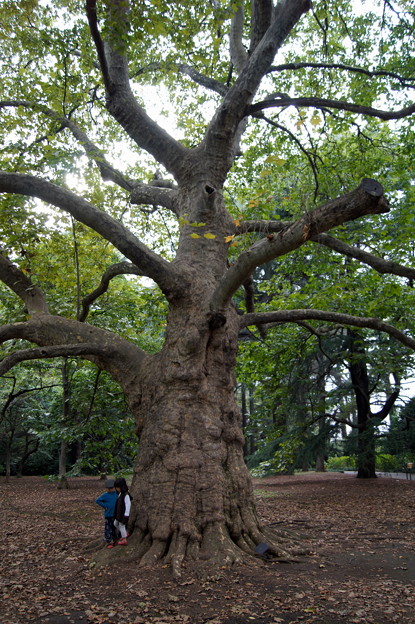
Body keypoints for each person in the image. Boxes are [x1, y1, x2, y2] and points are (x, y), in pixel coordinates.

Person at [95, 478, 118, 549]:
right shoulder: (105, 495)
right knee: (108, 528)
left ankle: (115, 540)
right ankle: (109, 541)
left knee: (115, 528)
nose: (110, 490)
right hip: (108, 515)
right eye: (109, 488)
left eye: (112, 488)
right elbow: (97, 500)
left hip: (116, 514)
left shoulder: (117, 494)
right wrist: (105, 506)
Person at [114, 477, 131, 546]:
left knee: (121, 525)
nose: (116, 489)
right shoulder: (120, 494)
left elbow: (128, 504)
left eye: (117, 487)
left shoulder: (126, 495)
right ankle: (124, 533)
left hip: (123, 514)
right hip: (119, 513)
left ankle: (124, 539)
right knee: (115, 523)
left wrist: (126, 514)